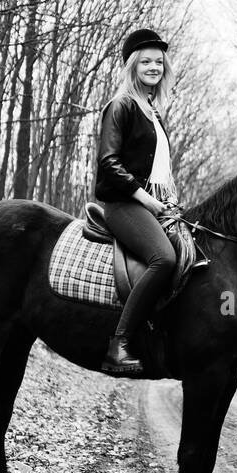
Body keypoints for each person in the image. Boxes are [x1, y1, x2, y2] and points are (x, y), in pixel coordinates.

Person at [95, 28, 181, 374]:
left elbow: (160, 168)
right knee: (164, 258)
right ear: (132, 66)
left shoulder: (153, 111)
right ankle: (119, 344)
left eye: (159, 62)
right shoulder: (122, 106)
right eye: (146, 61)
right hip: (123, 205)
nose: (153, 67)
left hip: (156, 203)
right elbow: (108, 162)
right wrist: (145, 198)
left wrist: (169, 199)